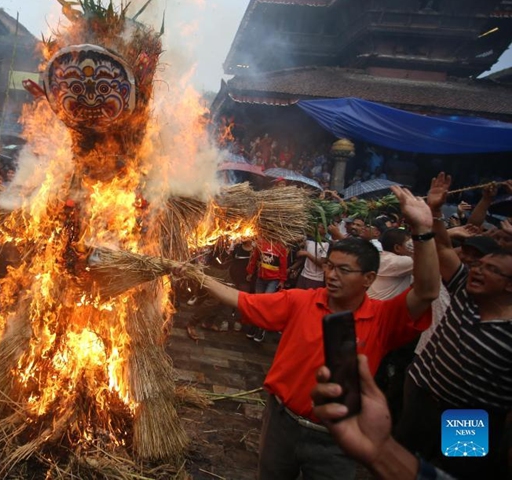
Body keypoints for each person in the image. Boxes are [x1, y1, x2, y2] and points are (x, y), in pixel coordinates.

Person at [174, 185, 440, 480]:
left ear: (369, 279)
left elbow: (427, 290)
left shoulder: (382, 318)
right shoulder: (302, 300)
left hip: (337, 438)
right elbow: (243, 301)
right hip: (281, 423)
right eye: (329, 267)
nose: (331, 275)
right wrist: (196, 275)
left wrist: (424, 230)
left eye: (343, 270)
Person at [395, 172, 512, 479]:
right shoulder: (463, 289)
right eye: (478, 264)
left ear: (509, 286)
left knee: (450, 473)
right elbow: (445, 249)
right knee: (401, 462)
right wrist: (433, 211)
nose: (477, 270)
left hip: (469, 419)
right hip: (421, 393)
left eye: (490, 270)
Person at [311, 355, 457, 480]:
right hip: (423, 392)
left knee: (462, 463)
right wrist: (381, 451)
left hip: (466, 409)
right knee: (413, 446)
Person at [245, 238, 288, 342]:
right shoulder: (261, 243)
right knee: (257, 303)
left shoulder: (280, 247)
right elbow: (254, 259)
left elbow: (283, 265)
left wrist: (282, 281)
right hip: (261, 278)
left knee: (266, 304)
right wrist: (250, 272)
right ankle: (254, 325)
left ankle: (261, 329)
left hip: (273, 280)